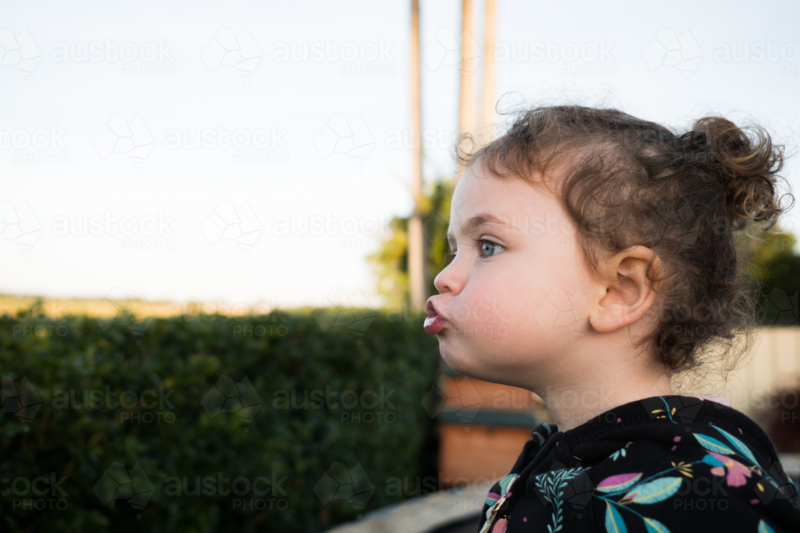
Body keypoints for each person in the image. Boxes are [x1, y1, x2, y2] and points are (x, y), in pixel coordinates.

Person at [423, 105, 800, 532]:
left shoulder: (683, 496)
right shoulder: (574, 454)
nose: (444, 277)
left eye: (488, 246)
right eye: (455, 250)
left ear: (620, 291)